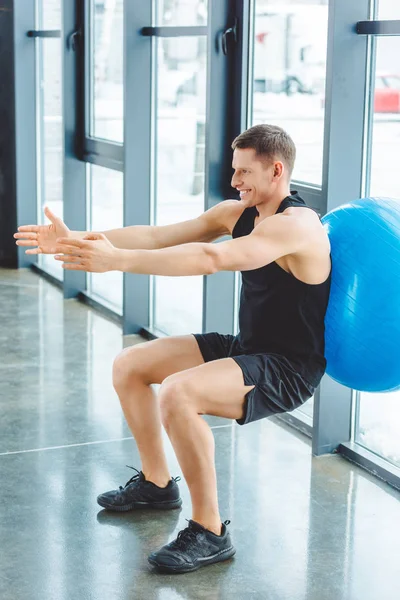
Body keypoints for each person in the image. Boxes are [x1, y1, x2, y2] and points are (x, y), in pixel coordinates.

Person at [14, 124, 331, 574]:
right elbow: (157, 235)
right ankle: (157, 485)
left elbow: (212, 259)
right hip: (248, 348)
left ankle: (210, 532)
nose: (235, 181)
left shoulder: (297, 226)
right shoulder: (237, 212)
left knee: (179, 393)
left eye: (244, 172)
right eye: (234, 171)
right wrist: (75, 239)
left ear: (276, 169)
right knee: (131, 364)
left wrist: (116, 263)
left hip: (288, 368)